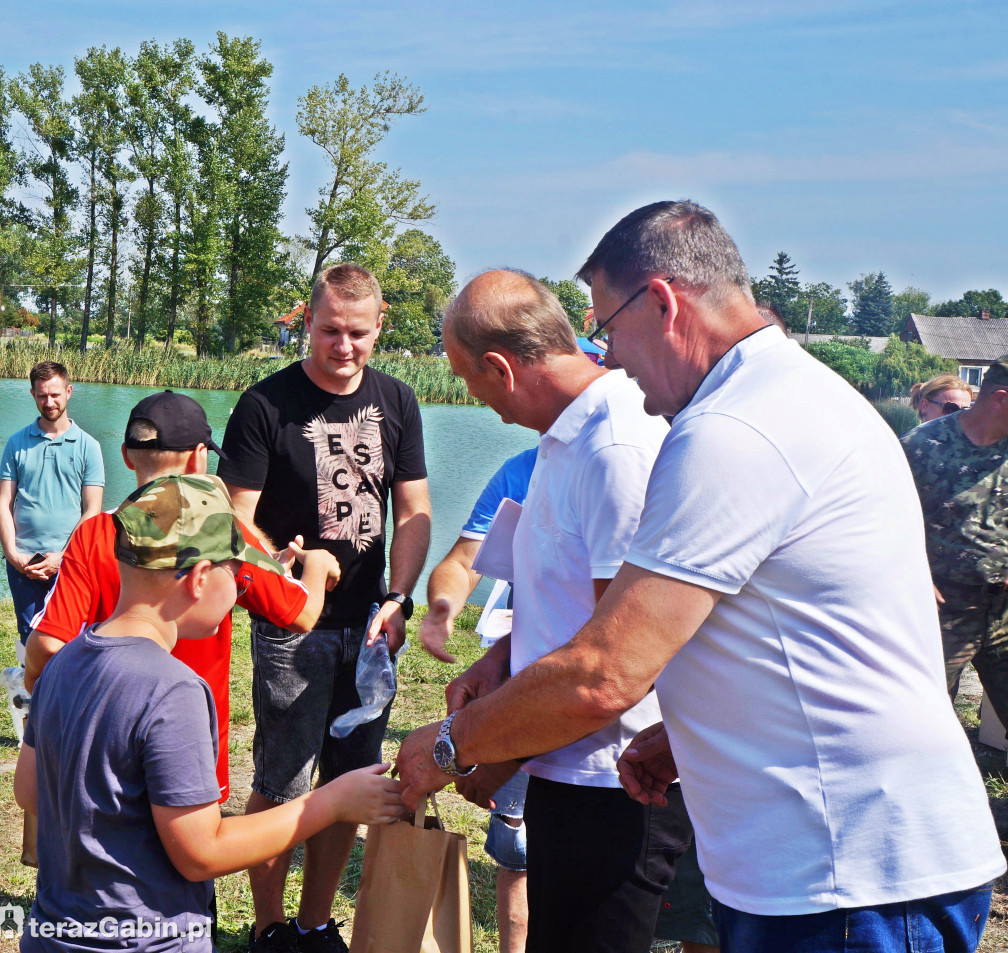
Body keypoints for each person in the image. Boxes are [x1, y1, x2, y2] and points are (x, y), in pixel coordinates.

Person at [396, 201, 1005, 953]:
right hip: (824, 863)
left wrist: (452, 744)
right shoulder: (779, 400)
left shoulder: (734, 429)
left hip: (853, 872)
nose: (606, 354)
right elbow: (796, 618)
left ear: (662, 303)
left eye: (608, 328)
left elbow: (605, 672)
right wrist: (686, 735)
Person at [419, 269, 696, 953]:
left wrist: (467, 750)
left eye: (468, 381)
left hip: (617, 781)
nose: (476, 400)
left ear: (498, 367)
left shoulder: (614, 449)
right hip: (566, 767)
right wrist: (500, 660)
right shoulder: (561, 440)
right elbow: (574, 606)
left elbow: (621, 660)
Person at [14, 474, 403, 953]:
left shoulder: (60, 664)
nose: (241, 583)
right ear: (201, 578)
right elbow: (203, 851)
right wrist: (334, 801)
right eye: (236, 571)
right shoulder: (173, 690)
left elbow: (29, 791)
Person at [218, 262, 431, 953]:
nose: (344, 346)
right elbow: (233, 517)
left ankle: (314, 922)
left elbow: (415, 510)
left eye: (359, 333)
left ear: (379, 327)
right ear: (307, 320)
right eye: (331, 330)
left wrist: (399, 597)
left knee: (354, 780)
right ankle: (269, 924)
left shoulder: (398, 400)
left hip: (371, 630)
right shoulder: (264, 404)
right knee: (282, 781)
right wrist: (282, 567)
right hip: (292, 625)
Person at [23, 390, 337, 802]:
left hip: (102, 738)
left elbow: (47, 644)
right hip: (190, 739)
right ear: (200, 458)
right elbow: (301, 613)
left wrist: (42, 701)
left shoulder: (93, 532)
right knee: (188, 847)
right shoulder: (220, 534)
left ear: (126, 455)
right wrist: (315, 563)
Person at [418, 447, 537, 953]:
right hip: (518, 681)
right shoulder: (522, 469)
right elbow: (464, 561)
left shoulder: (641, 455)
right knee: (516, 845)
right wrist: (443, 606)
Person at [901, 359, 1008, 728]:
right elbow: (879, 523)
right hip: (941, 613)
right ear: (1001, 399)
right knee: (923, 725)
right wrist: (911, 573)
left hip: (1004, 612)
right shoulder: (921, 447)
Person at [0, 361, 104, 659]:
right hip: (25, 563)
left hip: (71, 563)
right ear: (33, 394)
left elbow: (92, 510)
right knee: (30, 640)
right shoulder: (16, 443)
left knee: (73, 641)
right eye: (42, 395)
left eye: (55, 394)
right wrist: (13, 554)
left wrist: (63, 557)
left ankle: (69, 702)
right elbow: (4, 503)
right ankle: (34, 702)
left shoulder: (88, 446)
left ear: (69, 392)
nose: (49, 402)